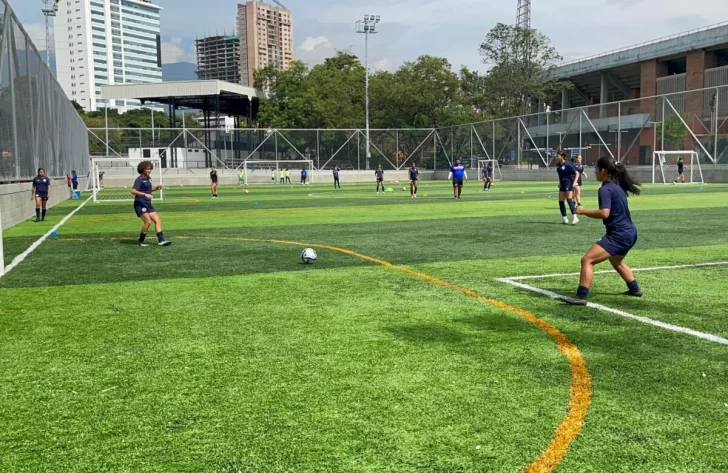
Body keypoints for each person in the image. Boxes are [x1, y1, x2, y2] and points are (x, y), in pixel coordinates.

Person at [562, 156, 642, 305]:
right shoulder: (617, 187)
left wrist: (582, 211)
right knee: (616, 260)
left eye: (596, 169)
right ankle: (634, 288)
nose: (594, 172)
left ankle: (581, 296)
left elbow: (604, 213)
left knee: (587, 260)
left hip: (619, 235)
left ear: (603, 171)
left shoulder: (605, 189)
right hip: (630, 232)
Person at [130, 161, 172, 247]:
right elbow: (133, 191)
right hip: (140, 203)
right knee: (148, 222)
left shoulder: (148, 178)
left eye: (150, 169)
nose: (149, 170)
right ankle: (140, 241)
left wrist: (156, 188)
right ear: (142, 169)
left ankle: (161, 240)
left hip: (148, 204)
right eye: (147, 169)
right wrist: (145, 194)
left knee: (157, 220)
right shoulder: (139, 179)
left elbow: (147, 190)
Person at [555, 151, 580, 225]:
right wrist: (559, 183)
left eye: (557, 156)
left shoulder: (568, 164)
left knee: (569, 199)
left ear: (562, 156)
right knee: (561, 201)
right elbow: (560, 175)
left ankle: (575, 217)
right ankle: (564, 218)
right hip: (562, 184)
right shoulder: (558, 165)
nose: (556, 157)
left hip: (569, 183)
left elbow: (577, 173)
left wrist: (575, 182)